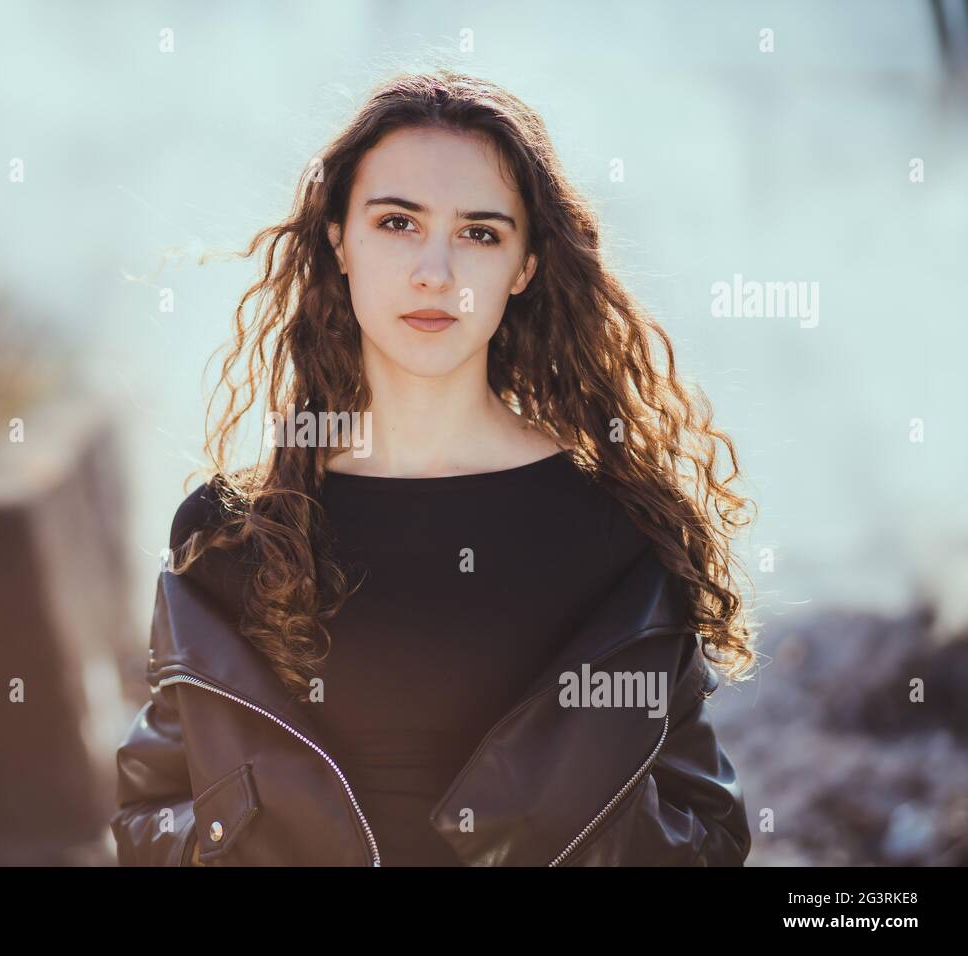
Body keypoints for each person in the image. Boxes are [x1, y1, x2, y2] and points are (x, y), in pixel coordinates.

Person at [112, 68, 757, 867]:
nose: (436, 273)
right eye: (397, 223)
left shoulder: (618, 528)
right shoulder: (232, 530)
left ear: (524, 267)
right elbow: (152, 811)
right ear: (338, 240)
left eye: (480, 233)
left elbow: (708, 831)